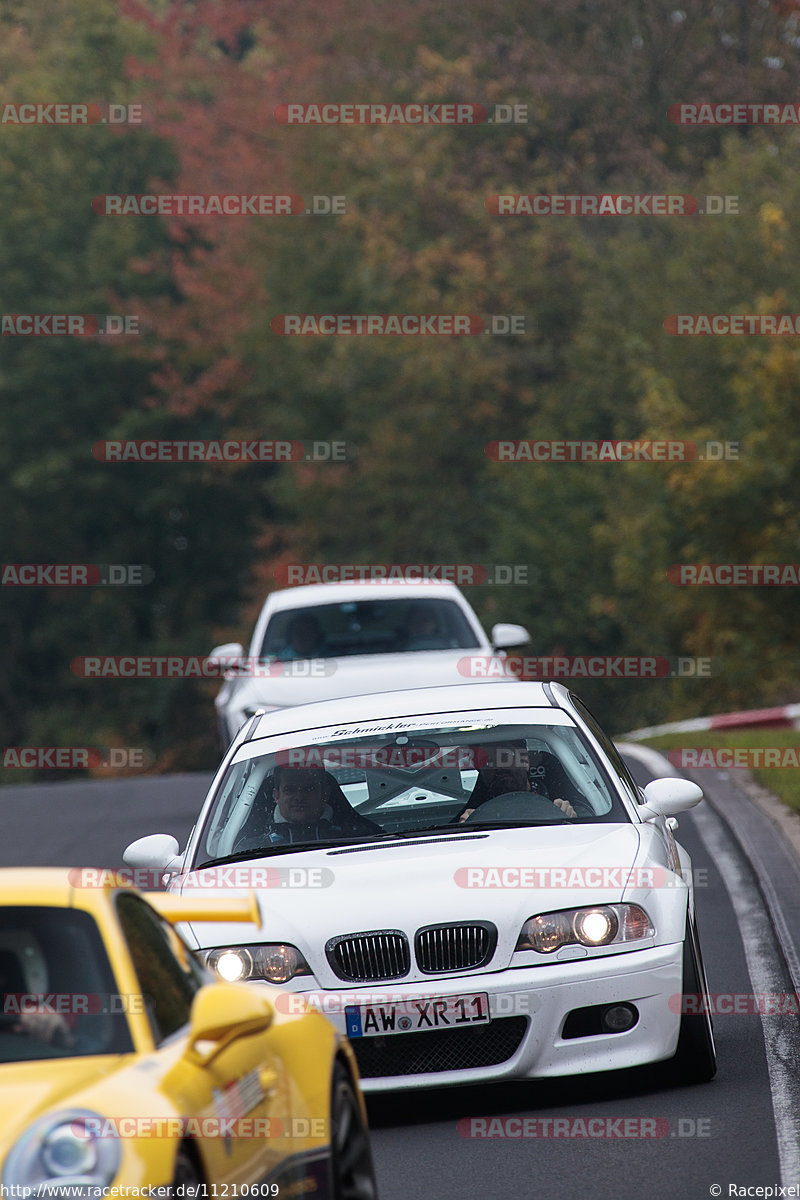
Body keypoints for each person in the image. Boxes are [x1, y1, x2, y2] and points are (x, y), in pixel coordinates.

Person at [236, 767, 382, 849]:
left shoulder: (365, 839)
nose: (299, 796)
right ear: (276, 795)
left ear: (325, 793)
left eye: (308, 788)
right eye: (290, 790)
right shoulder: (247, 850)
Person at [457, 742, 579, 822]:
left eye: (505, 757)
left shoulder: (554, 789)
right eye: (488, 762)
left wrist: (571, 814)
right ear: (481, 771)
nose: (499, 767)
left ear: (525, 761)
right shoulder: (476, 808)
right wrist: (464, 828)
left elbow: (590, 812)